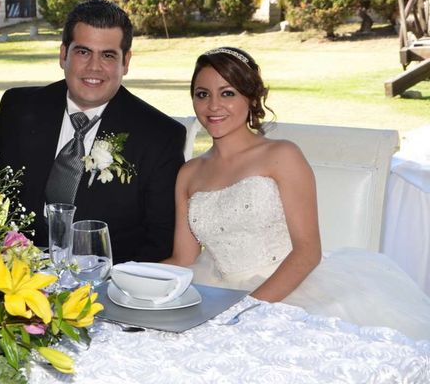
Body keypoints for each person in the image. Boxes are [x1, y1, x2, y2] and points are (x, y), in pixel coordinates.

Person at [165, 46, 430, 340]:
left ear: (251, 97)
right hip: (216, 290)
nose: (213, 106)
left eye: (227, 93)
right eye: (203, 94)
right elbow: (183, 259)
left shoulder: (282, 155)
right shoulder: (189, 173)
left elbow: (307, 252)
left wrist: (246, 311)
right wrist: (121, 272)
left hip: (290, 289)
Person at [0, 0, 186, 264]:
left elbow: (160, 243)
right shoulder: (19, 109)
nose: (94, 67)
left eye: (108, 55)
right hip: (19, 277)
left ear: (125, 62)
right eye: (83, 52)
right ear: (63, 55)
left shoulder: (159, 136)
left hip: (107, 289)